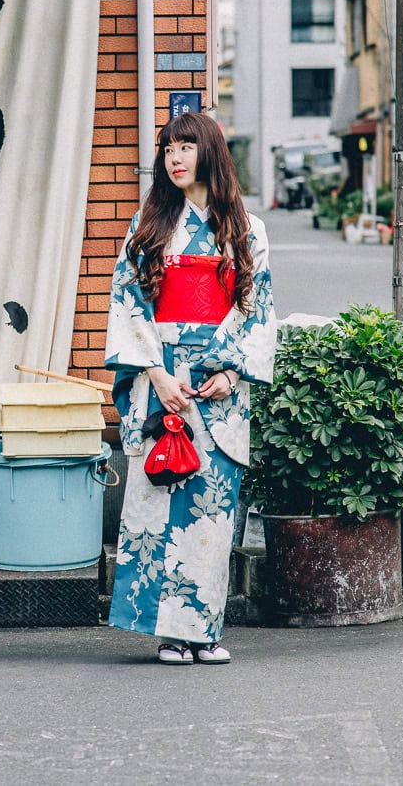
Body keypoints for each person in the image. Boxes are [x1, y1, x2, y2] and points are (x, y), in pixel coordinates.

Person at [104, 111, 277, 665]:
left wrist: (230, 372)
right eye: (168, 149)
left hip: (217, 383)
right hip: (162, 376)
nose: (175, 158)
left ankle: (204, 631)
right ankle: (167, 633)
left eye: (185, 147)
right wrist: (153, 371)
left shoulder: (246, 229)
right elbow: (128, 300)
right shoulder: (149, 224)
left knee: (212, 508)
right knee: (160, 501)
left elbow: (256, 307)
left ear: (209, 153)